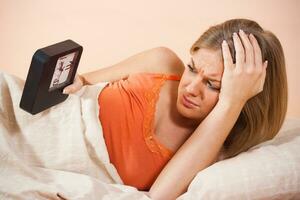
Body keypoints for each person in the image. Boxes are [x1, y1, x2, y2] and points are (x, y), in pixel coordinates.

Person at [63, 18, 287, 200]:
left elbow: (159, 195)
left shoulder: (216, 150)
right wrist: (77, 80)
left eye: (212, 85)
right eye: (192, 68)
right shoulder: (163, 62)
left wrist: (232, 102)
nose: (190, 88)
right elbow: (83, 81)